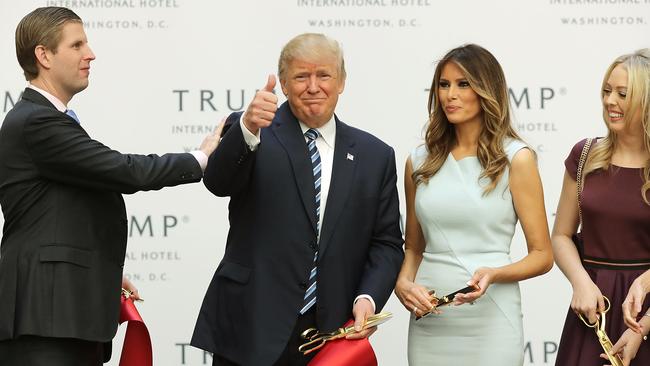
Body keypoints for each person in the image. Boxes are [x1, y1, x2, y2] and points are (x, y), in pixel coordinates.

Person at [0, 7, 221, 366]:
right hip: (46, 321)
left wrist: (104, 272)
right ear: (44, 55)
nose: (90, 54)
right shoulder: (36, 121)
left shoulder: (44, 120)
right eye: (77, 45)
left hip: (64, 317)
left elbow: (60, 213)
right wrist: (199, 158)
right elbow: (123, 170)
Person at [191, 33, 404, 366]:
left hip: (332, 335)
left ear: (342, 81)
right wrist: (246, 127)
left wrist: (368, 298)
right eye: (301, 77)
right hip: (252, 325)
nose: (313, 86)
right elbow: (218, 182)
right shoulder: (252, 129)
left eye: (324, 75)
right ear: (285, 85)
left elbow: (387, 242)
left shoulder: (375, 155)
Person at [394, 44, 553, 365]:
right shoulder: (419, 161)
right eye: (444, 84)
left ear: (486, 90)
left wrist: (494, 274)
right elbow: (413, 247)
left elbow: (543, 256)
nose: (450, 94)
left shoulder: (516, 159)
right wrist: (403, 284)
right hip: (431, 316)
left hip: (492, 319)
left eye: (463, 84)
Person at [552, 48, 650, 366]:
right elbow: (561, 236)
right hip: (592, 312)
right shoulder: (584, 156)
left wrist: (642, 328)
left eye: (623, 93)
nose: (610, 101)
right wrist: (581, 282)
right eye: (607, 91)